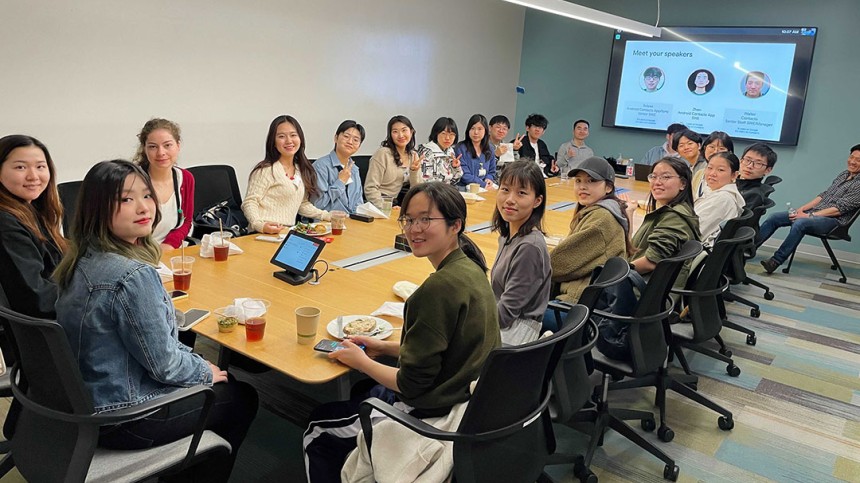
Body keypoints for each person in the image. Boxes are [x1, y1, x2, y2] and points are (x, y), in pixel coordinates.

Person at [53, 160, 258, 481]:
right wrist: (206, 371)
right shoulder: (132, 275)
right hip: (125, 417)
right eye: (126, 199)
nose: (143, 207)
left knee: (197, 361)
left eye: (147, 196)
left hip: (84, 401)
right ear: (98, 208)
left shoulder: (78, 259)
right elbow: (165, 366)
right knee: (241, 397)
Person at [303, 182, 500, 482]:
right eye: (408, 219)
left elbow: (410, 385)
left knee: (316, 430)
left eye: (425, 219)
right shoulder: (471, 267)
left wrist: (362, 362)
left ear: (455, 225)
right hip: (469, 398)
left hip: (434, 411)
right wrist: (384, 348)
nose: (414, 228)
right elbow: (448, 344)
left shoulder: (437, 290)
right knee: (361, 391)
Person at [547, 157, 633, 330]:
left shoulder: (601, 219)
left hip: (578, 310)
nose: (582, 187)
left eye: (591, 181)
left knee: (511, 312)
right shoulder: (605, 210)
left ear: (608, 187)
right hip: (587, 305)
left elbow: (556, 264)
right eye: (578, 181)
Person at [758, 145, 860, 274]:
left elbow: (838, 209)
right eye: (852, 157)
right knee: (775, 217)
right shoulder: (844, 174)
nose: (852, 162)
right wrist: (803, 209)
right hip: (815, 214)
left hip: (835, 222)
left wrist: (809, 216)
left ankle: (775, 261)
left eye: (858, 160)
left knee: (800, 223)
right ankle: (747, 250)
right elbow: (825, 195)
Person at [0, 135, 66, 320]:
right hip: (49, 330)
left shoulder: (33, 210)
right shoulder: (6, 223)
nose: (33, 176)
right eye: (20, 167)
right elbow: (36, 296)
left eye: (40, 167)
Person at [490, 160, 551, 342]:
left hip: (512, 338)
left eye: (521, 193)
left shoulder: (529, 247)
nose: (510, 199)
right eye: (505, 189)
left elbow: (504, 315)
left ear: (537, 201)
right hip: (504, 328)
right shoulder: (509, 236)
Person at [243, 115, 331, 233]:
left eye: (293, 135)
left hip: (285, 233)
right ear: (273, 142)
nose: (289, 141)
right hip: (262, 234)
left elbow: (302, 204)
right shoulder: (265, 170)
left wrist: (327, 216)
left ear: (300, 138)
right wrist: (259, 225)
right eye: (281, 136)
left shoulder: (300, 169)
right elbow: (249, 202)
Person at [627, 157, 700, 284]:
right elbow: (634, 248)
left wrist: (616, 274)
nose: (657, 182)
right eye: (653, 177)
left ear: (683, 183)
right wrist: (629, 213)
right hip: (643, 283)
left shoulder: (675, 217)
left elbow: (651, 262)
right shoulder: (675, 210)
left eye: (665, 177)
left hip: (642, 290)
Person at [133, 118, 194, 251]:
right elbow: (124, 229)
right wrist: (151, 253)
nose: (161, 153)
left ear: (178, 146)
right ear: (144, 149)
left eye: (167, 145)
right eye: (153, 147)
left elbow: (186, 222)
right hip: (138, 254)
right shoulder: (132, 181)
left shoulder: (185, 178)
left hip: (171, 251)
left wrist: (169, 245)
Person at [365, 115, 420, 209]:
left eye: (404, 130)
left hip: (396, 204)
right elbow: (370, 188)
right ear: (390, 135)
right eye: (395, 131)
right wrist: (386, 207)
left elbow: (417, 190)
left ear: (411, 132)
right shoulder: (383, 154)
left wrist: (414, 172)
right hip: (379, 204)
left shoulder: (413, 155)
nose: (400, 135)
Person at [313, 120, 366, 213]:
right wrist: (340, 182)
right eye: (346, 136)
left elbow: (359, 204)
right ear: (336, 138)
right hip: (327, 222)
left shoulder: (354, 169)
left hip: (351, 222)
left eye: (356, 140)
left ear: (359, 146)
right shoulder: (321, 166)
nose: (350, 142)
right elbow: (317, 204)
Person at [694, 152, 745, 246]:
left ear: (734, 175)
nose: (712, 173)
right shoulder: (714, 192)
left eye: (720, 170)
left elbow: (693, 232)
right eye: (709, 168)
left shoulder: (722, 199)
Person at [412, 117, 463, 186]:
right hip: (431, 192)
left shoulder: (450, 151)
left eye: (451, 135)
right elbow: (425, 182)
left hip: (447, 190)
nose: (447, 138)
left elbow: (455, 180)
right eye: (443, 133)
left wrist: (456, 167)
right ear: (436, 134)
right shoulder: (427, 152)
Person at [454, 114, 497, 189]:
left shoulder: (490, 148)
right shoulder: (460, 148)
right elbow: (464, 174)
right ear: (468, 130)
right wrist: (482, 184)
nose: (476, 132)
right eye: (472, 128)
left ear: (485, 131)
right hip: (464, 188)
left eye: (480, 129)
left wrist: (489, 179)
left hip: (484, 188)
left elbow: (492, 171)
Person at [694, 131, 735, 199]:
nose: (715, 151)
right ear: (705, 148)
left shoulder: (731, 176)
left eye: (721, 149)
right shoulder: (699, 173)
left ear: (729, 152)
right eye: (712, 147)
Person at [737, 143, 777, 209]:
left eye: (758, 163)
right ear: (740, 161)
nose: (749, 166)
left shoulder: (754, 195)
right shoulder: (731, 183)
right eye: (747, 160)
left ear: (768, 170)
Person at [673, 129, 706, 196]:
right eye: (681, 145)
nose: (686, 147)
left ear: (699, 146)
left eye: (690, 143)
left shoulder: (706, 165)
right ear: (677, 151)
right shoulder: (690, 167)